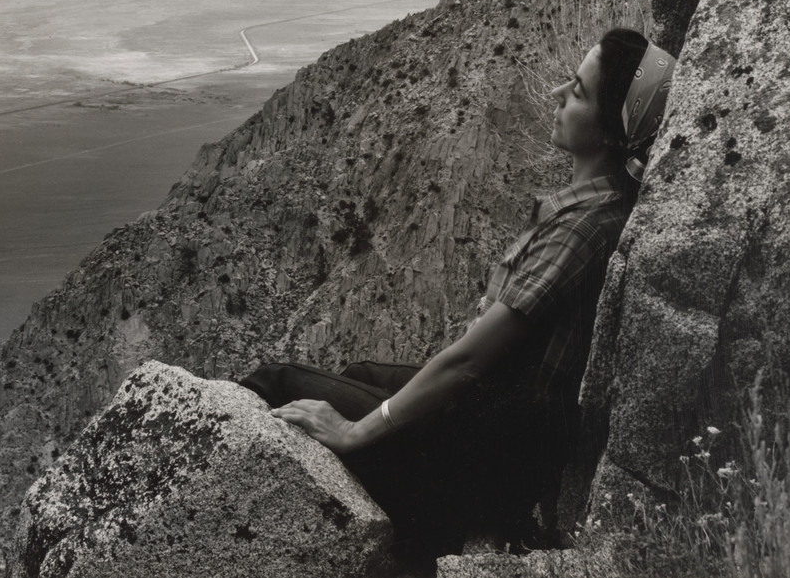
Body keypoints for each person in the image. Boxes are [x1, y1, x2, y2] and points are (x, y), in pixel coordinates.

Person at [241, 28, 676, 566]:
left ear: (613, 131)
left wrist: (356, 431)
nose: (558, 93)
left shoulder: (586, 228)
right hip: (486, 431)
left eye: (579, 91)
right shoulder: (589, 211)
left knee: (273, 382)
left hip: (478, 452)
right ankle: (411, 542)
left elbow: (469, 361)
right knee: (359, 372)